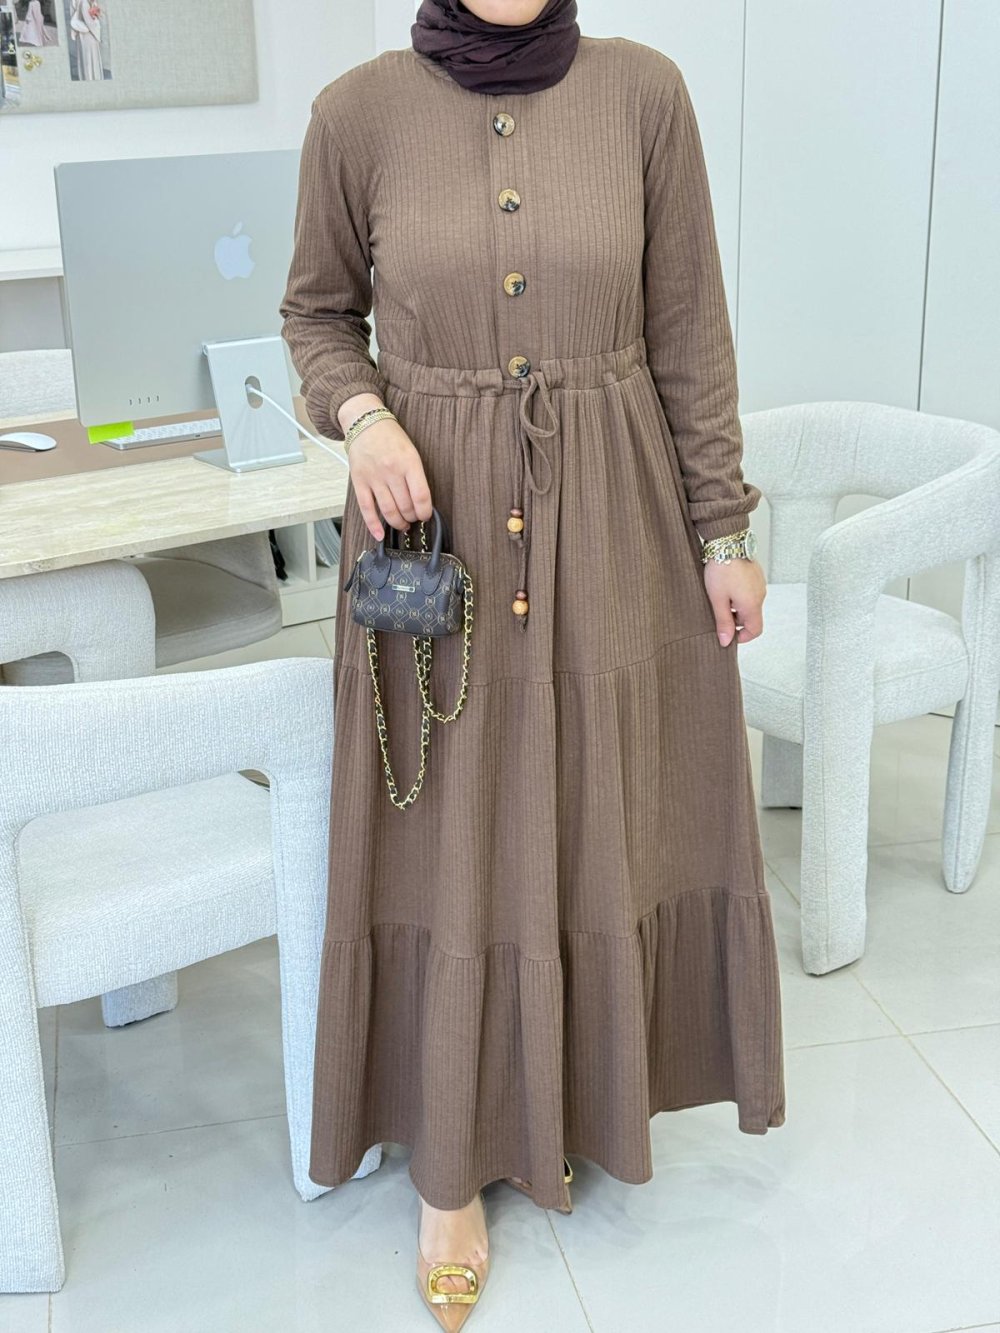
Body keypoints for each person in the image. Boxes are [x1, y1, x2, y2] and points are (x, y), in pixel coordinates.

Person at [280, 1, 786, 1326]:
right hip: (429, 531)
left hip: (613, 520)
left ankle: (578, 1094)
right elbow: (315, 318)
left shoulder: (645, 95)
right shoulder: (355, 115)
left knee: (592, 812)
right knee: (447, 831)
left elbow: (690, 333)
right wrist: (364, 414)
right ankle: (450, 1165)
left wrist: (725, 528)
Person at [69, 0, 103, 79]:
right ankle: (91, 77)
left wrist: (95, 16)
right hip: (88, 36)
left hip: (86, 35)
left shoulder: (88, 2)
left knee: (88, 58)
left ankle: (89, 77)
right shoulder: (84, 3)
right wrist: (97, 29)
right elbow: (89, 23)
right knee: (88, 58)